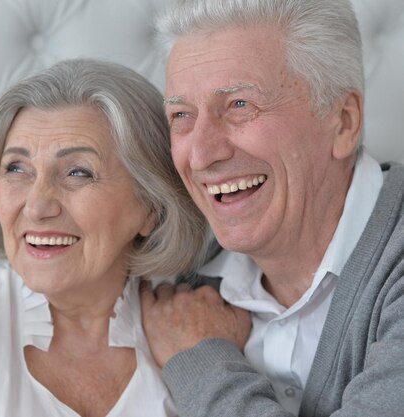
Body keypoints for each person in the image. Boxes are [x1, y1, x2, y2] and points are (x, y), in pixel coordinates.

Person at [0, 58, 207, 417]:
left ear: (150, 207)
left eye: (78, 172)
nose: (37, 205)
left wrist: (203, 360)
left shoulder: (195, 335)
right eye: (17, 168)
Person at [140, 0, 404, 416]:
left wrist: (201, 360)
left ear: (343, 122)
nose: (203, 154)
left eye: (240, 105)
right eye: (181, 115)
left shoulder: (184, 336)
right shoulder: (179, 285)